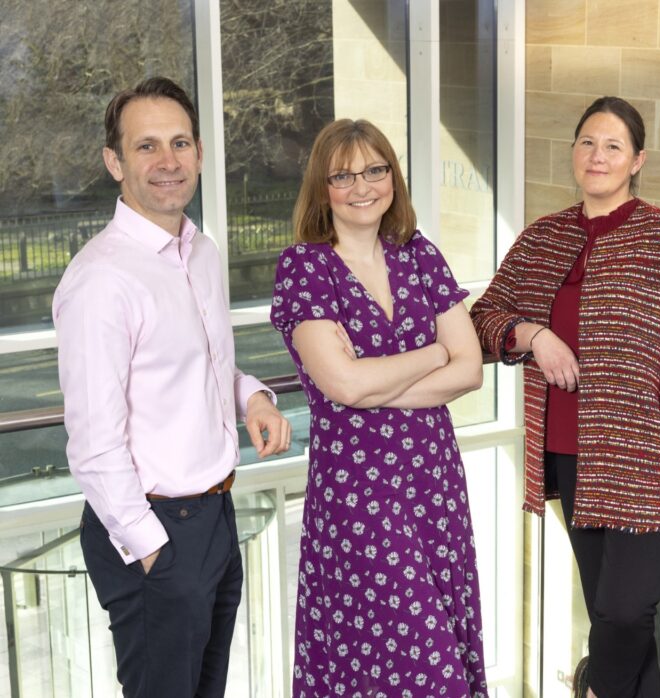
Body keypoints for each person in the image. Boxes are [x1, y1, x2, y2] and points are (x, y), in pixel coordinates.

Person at [472, 96, 660, 698]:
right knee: (614, 616)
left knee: (623, 613)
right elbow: (485, 317)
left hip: (648, 457)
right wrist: (533, 336)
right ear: (573, 153)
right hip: (571, 454)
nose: (597, 155)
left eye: (613, 146)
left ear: (638, 160)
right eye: (587, 142)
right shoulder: (543, 238)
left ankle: (591, 689)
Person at [53, 77, 291, 698]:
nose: (168, 161)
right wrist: (152, 549)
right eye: (146, 146)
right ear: (115, 162)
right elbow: (94, 444)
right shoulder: (101, 281)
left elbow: (209, 364)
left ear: (200, 153)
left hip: (214, 511)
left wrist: (252, 397)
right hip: (154, 532)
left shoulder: (202, 252)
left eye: (180, 142)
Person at [271, 118, 488, 697]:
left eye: (375, 169)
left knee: (439, 645)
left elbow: (469, 370)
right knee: (425, 672)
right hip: (359, 497)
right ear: (322, 188)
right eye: (343, 175)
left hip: (432, 484)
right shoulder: (304, 267)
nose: (363, 186)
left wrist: (372, 383)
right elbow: (344, 386)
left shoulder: (419, 254)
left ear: (393, 176)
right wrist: (435, 350)